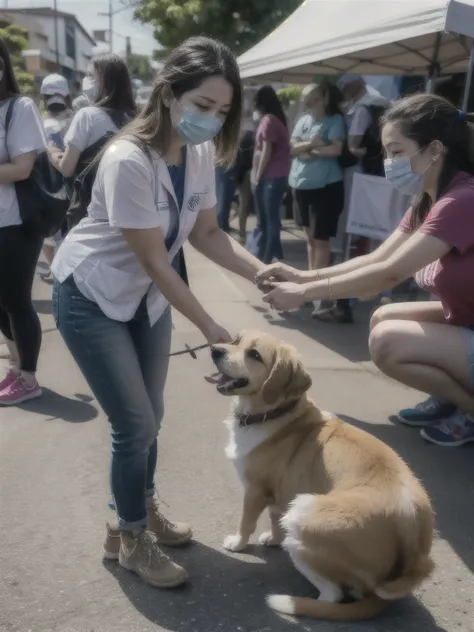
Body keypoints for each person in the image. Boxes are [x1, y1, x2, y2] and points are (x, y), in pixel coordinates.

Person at [51, 36, 264, 587]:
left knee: (154, 416)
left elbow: (209, 233)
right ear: (169, 95)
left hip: (143, 299)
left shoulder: (195, 155)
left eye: (221, 111)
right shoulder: (127, 158)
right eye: (202, 106)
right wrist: (212, 327)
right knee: (135, 423)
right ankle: (132, 540)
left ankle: (131, 518)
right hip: (91, 296)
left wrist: (263, 272)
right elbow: (155, 262)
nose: (211, 120)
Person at [257, 94, 474, 448]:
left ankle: (469, 410)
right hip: (467, 323)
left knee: (386, 342)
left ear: (435, 149)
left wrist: (304, 294)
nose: (388, 162)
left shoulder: (461, 199)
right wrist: (302, 276)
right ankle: (447, 398)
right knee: (383, 317)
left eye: (397, 151)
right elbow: (376, 260)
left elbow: (388, 275)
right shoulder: (429, 199)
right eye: (386, 152)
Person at [0, 38, 47, 405]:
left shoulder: (20, 107)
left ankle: (28, 377)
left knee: (16, 301)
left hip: (14, 221)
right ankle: (15, 365)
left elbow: (21, 168)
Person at [49, 53, 136, 226]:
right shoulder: (136, 117)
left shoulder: (87, 116)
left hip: (92, 213)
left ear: (107, 81)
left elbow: (67, 168)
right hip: (130, 210)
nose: (86, 81)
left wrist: (52, 153)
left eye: (90, 76)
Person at [289, 82, 352, 322]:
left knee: (321, 240)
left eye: (313, 99)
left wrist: (309, 149)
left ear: (324, 98)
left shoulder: (335, 120)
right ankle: (309, 286)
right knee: (309, 238)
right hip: (301, 185)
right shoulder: (304, 119)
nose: (309, 104)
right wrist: (314, 145)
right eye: (307, 100)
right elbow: (293, 147)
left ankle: (316, 294)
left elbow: (335, 150)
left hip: (325, 187)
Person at [40, 73, 74, 283]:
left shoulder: (40, 122)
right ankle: (60, 271)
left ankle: (57, 270)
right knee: (66, 230)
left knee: (48, 231)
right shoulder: (77, 119)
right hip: (71, 182)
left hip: (47, 184)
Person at [252, 85, 290, 263]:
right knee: (271, 217)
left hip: (270, 176)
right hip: (277, 175)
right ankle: (275, 253)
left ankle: (266, 256)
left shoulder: (268, 120)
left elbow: (266, 150)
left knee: (268, 219)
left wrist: (258, 175)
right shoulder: (278, 119)